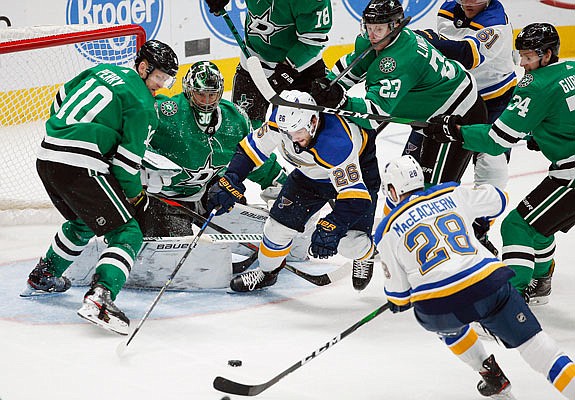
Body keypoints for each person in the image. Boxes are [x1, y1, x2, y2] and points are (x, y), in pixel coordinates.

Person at [375, 155, 575, 399]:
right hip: (487, 284)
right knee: (536, 346)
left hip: (438, 307)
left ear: (393, 190)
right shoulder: (450, 194)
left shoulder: (385, 230)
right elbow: (499, 200)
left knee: (450, 328)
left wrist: (398, 303)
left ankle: (489, 373)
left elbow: (399, 295)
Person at [20, 40, 179, 335]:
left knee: (84, 220)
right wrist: (136, 196)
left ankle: (44, 274)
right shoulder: (144, 105)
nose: (162, 86)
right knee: (127, 232)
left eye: (168, 80)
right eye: (159, 77)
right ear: (143, 68)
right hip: (81, 164)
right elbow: (125, 167)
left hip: (47, 156)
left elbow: (60, 98)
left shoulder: (102, 69)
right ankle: (101, 298)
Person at [422, 23, 574, 305]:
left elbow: (497, 140)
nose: (524, 64)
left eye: (530, 57)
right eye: (522, 56)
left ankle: (508, 303)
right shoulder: (571, 70)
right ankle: (541, 281)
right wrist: (544, 134)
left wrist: (455, 131)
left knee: (517, 226)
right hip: (568, 169)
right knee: (539, 226)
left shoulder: (536, 85)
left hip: (571, 174)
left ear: (548, 54)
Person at [207, 90, 381, 292]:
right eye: (287, 134)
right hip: (309, 176)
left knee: (350, 244)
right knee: (276, 229)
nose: (292, 139)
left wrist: (333, 225)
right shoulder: (281, 122)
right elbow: (251, 149)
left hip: (358, 171)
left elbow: (355, 198)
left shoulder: (337, 144)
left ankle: (365, 254)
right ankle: (267, 272)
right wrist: (231, 178)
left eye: (298, 133)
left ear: (313, 122)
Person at [311, 0, 487, 192]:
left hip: (457, 115)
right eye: (368, 27)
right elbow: (354, 65)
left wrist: (341, 100)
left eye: (378, 28)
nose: (371, 35)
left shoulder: (399, 60)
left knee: (432, 194)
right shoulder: (382, 40)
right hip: (428, 115)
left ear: (395, 26)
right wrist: (328, 84)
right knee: (405, 183)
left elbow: (373, 116)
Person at [140, 60, 287, 237]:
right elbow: (133, 137)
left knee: (233, 200)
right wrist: (147, 169)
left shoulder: (235, 120)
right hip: (163, 198)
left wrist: (283, 185)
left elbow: (252, 156)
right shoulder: (168, 112)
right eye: (201, 94)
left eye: (213, 95)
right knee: (177, 249)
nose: (207, 101)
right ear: (188, 91)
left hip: (207, 191)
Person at [204, 0, 332, 128]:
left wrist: (288, 67)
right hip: (254, 63)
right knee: (242, 130)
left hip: (302, 70)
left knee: (316, 132)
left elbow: (313, 40)